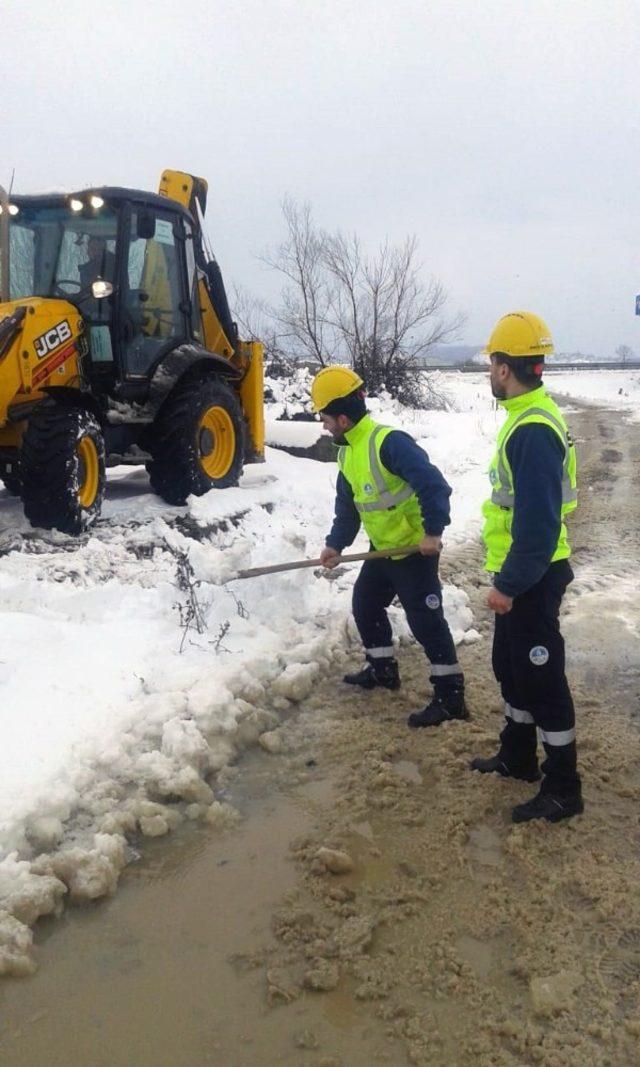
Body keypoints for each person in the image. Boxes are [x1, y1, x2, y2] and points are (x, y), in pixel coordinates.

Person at [470, 311, 583, 823]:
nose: (491, 371)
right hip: (519, 570)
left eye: (492, 363)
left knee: (542, 681)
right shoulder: (526, 417)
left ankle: (564, 788)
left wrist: (510, 584)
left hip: (533, 575)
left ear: (502, 368)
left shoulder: (532, 429)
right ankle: (518, 757)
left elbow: (537, 526)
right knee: (511, 669)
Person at [312, 365, 466, 727]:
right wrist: (335, 544)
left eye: (326, 418)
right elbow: (348, 508)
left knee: (426, 622)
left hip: (414, 551)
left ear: (344, 419)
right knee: (365, 604)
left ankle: (451, 696)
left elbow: (434, 486)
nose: (324, 425)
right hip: (382, 550)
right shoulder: (347, 452)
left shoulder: (389, 443)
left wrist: (433, 531)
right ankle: (383, 669)